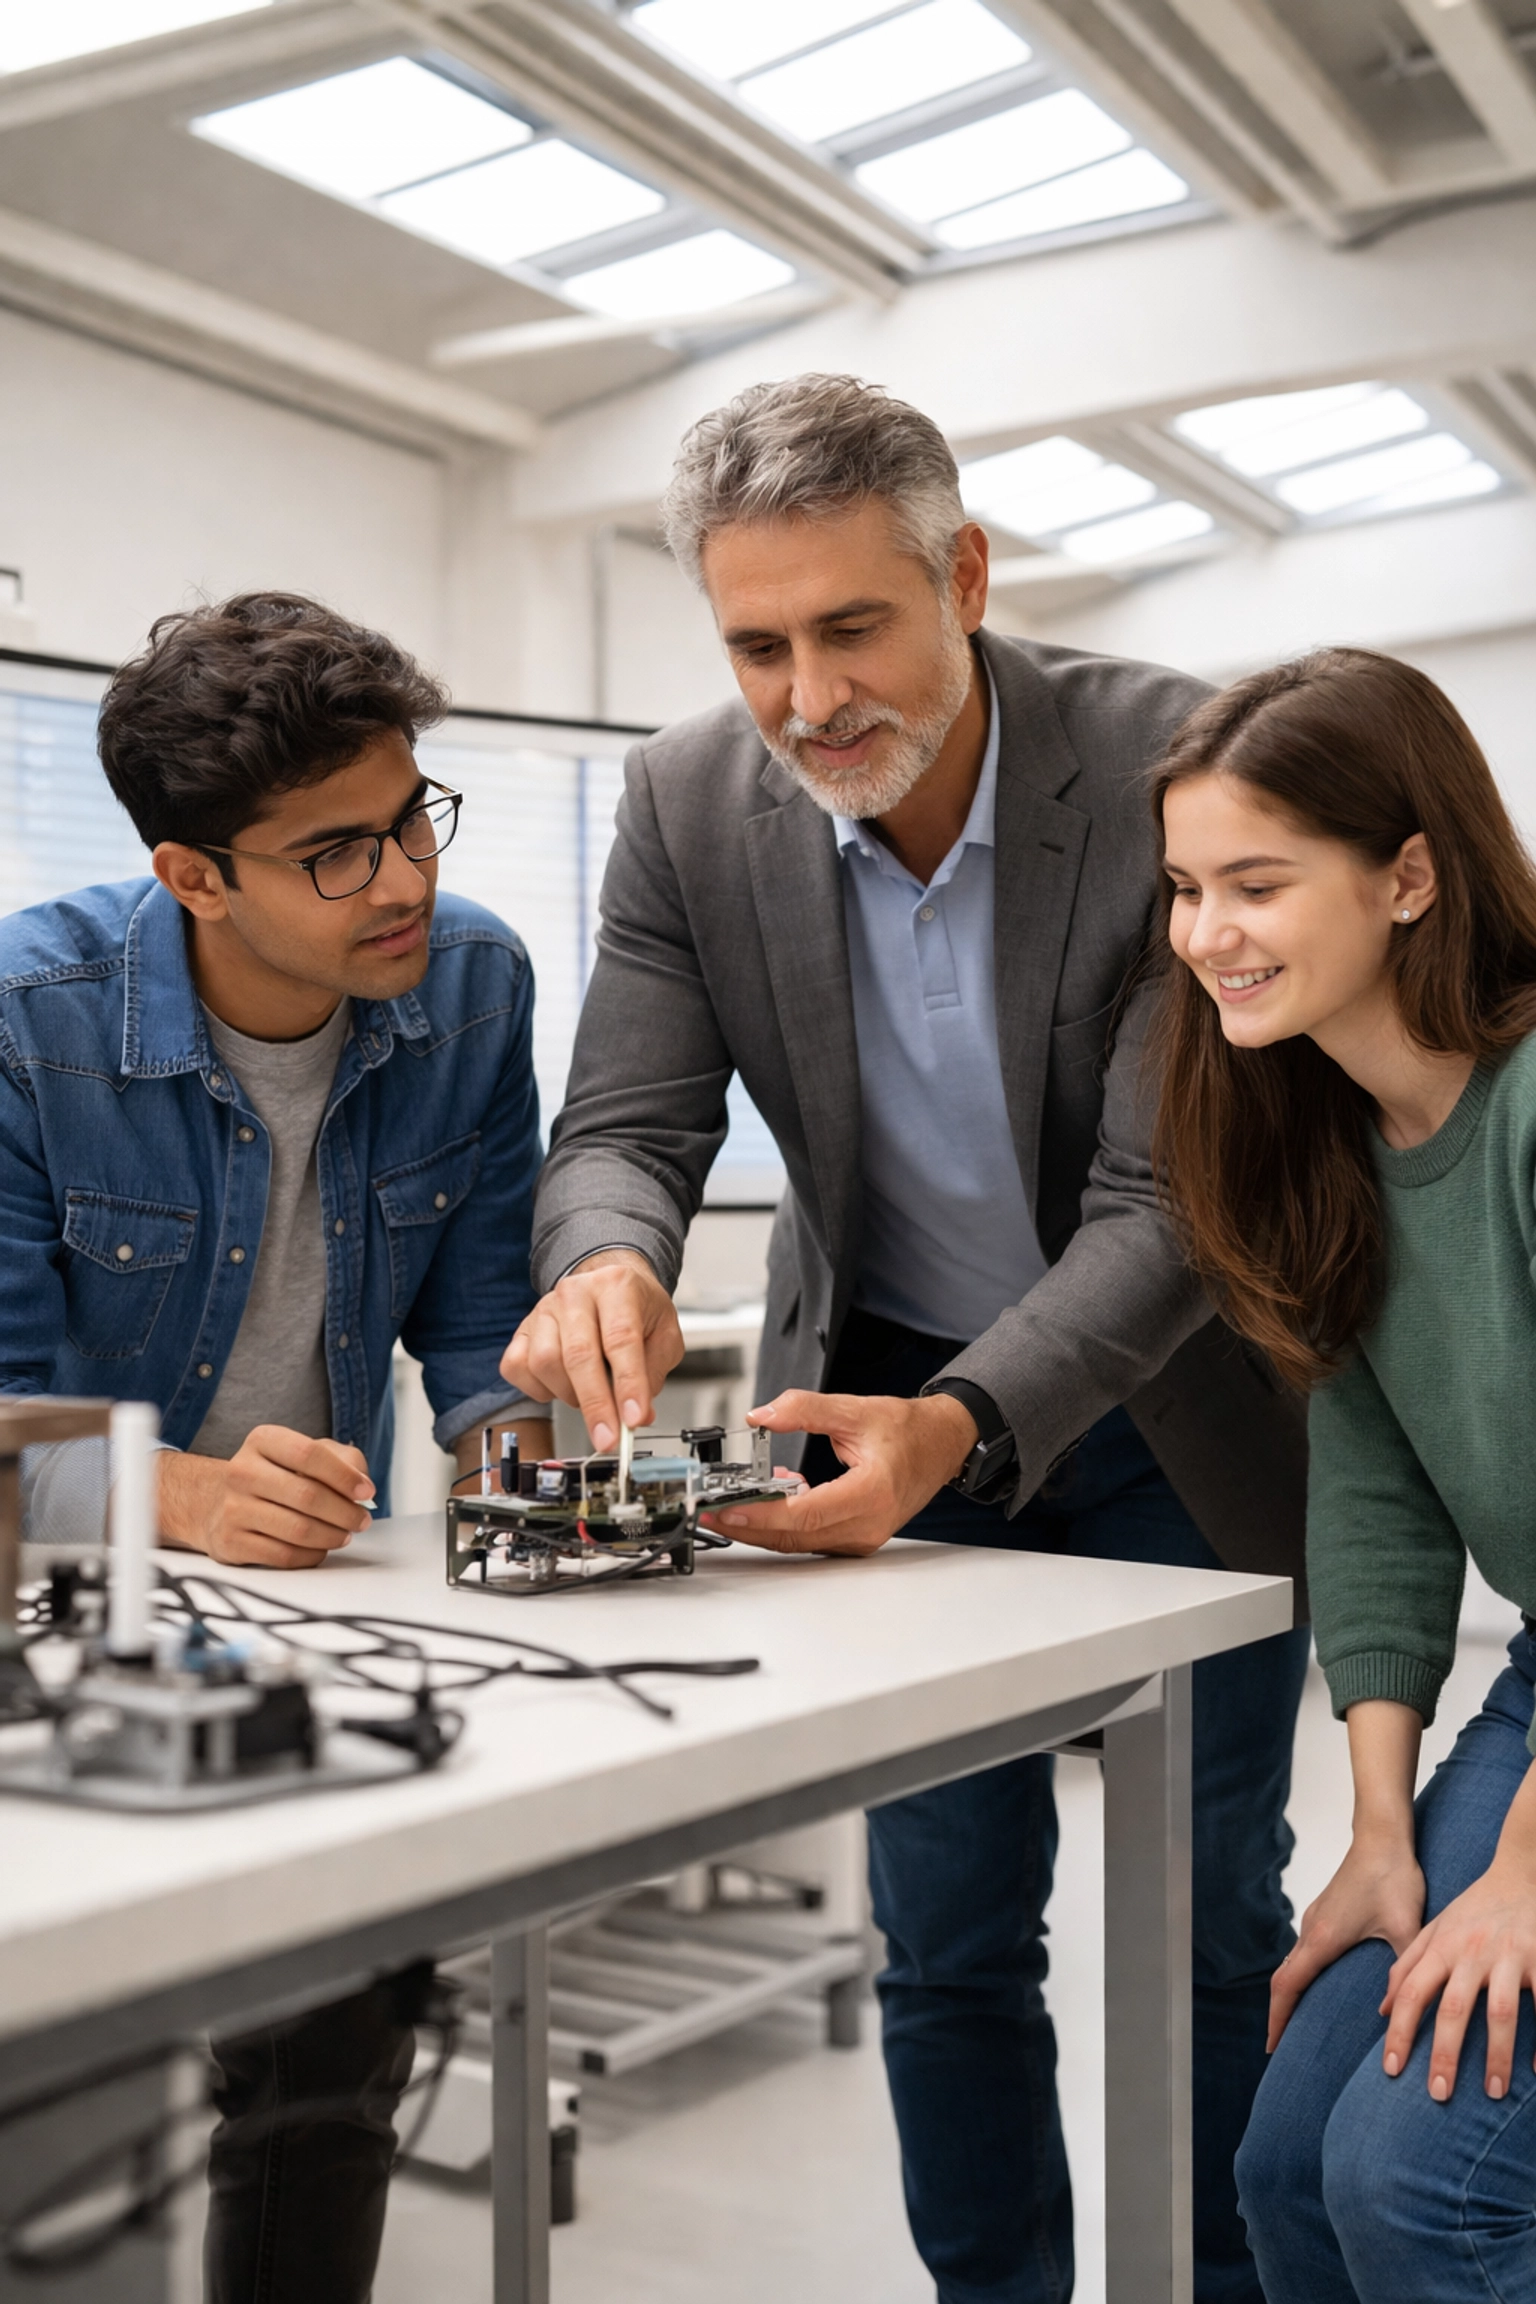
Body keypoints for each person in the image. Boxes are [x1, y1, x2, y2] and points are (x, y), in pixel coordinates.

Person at [503, 373, 1310, 2304]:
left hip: (1175, 1428)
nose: (806, 698)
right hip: (883, 1443)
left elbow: (1167, 1205)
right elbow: (625, 1125)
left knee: (1210, 1933)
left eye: (852, 627)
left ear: (962, 573)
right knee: (950, 1944)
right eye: (757, 643)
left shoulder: (1161, 773)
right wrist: (605, 1257)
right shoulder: (692, 795)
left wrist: (964, 1420)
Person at [0, 592, 549, 2303]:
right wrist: (186, 1498)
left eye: (408, 820)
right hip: (57, 1605)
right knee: (63, 2071)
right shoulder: (31, 1019)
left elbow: (474, 1334)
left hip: (312, 1594)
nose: (402, 881)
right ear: (194, 876)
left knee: (328, 2060)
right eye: (334, 854)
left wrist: (545, 1476)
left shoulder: (470, 987)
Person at [1149, 647, 1536, 2302]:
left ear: (1408, 876)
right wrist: (1385, 1830)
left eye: (1256, 883)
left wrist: (1518, 1881)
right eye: (1183, 888)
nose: (1205, 934)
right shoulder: (1325, 1135)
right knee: (1284, 2166)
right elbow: (1376, 1502)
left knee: (1420, 2191)